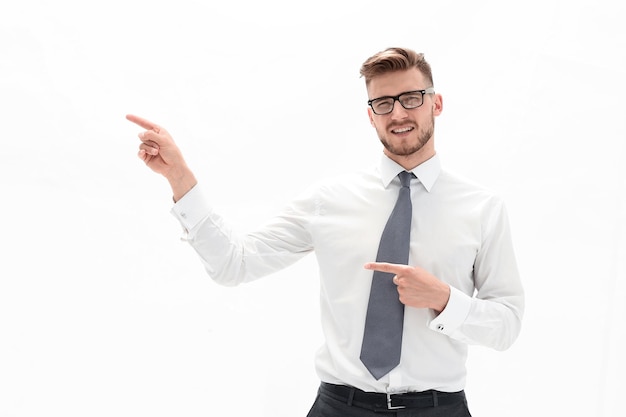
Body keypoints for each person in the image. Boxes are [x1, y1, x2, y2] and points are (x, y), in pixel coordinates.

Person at [127, 47, 524, 417]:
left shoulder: (482, 208)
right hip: (340, 405)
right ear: (371, 115)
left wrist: (443, 299)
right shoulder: (329, 201)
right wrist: (179, 177)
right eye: (383, 103)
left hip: (439, 407)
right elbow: (235, 264)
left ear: (435, 103)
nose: (398, 113)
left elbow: (507, 324)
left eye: (411, 98)